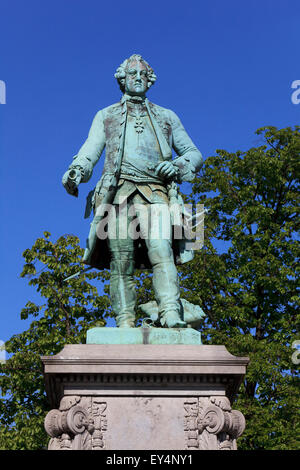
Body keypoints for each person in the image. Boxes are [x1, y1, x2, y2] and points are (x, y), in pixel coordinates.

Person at [62, 54, 203, 328]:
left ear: (149, 80)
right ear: (122, 80)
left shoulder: (167, 116)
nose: (137, 78)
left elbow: (194, 153)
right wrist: (76, 170)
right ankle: (125, 321)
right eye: (132, 74)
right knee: (121, 260)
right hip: (117, 194)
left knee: (162, 251)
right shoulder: (106, 115)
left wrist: (176, 166)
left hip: (157, 192)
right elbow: (89, 152)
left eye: (142, 74)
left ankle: (170, 311)